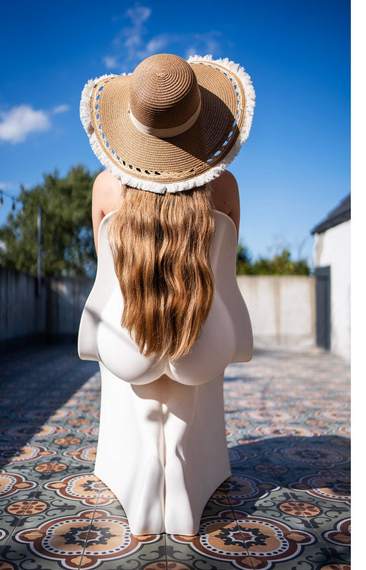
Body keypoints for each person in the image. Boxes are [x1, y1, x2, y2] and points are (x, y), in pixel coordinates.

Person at [78, 53, 255, 536]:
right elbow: (227, 269)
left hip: (126, 342)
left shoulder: (105, 188)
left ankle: (146, 463)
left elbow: (104, 272)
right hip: (204, 343)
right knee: (181, 351)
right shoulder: (225, 188)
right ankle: (175, 457)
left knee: (149, 350)